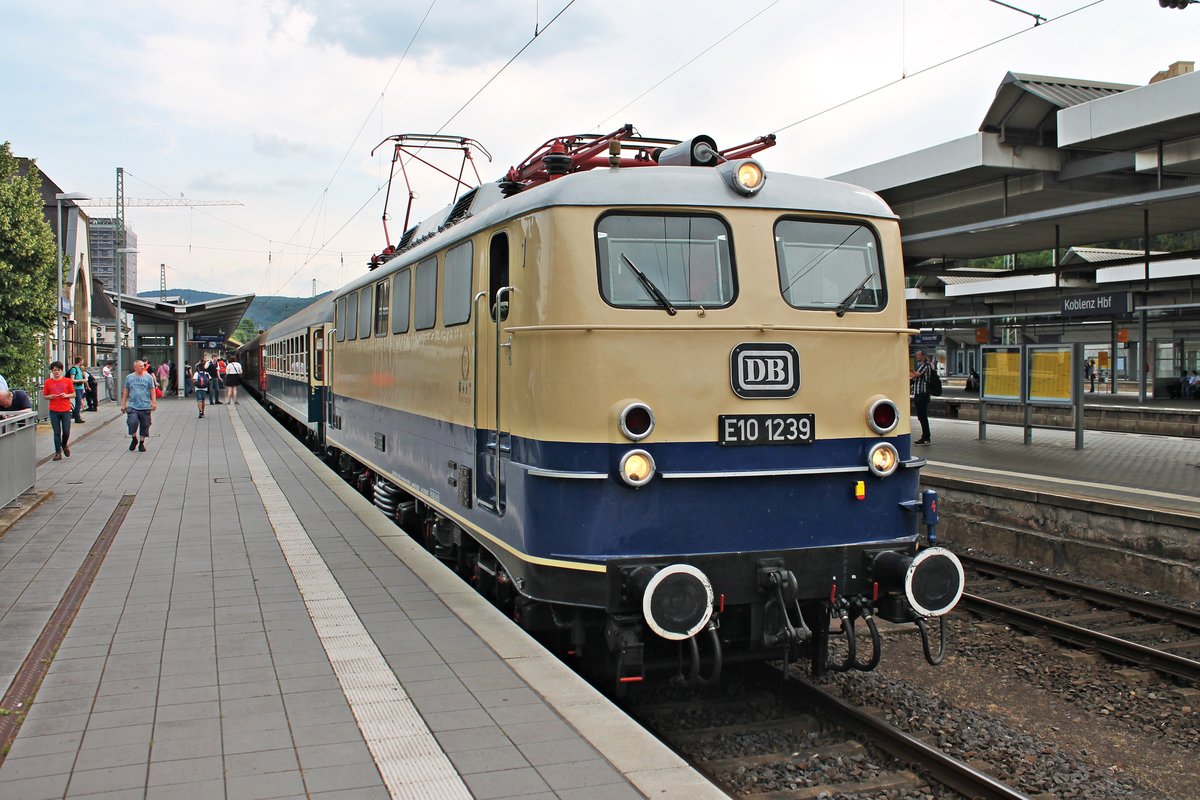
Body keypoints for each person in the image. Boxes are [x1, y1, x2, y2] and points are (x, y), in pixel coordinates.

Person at [121, 359, 158, 453]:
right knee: (132, 422)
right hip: (133, 405)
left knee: (145, 425)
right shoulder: (129, 377)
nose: (143, 367)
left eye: (143, 366)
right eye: (140, 366)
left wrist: (154, 402)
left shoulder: (148, 377)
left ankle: (141, 442)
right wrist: (123, 403)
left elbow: (152, 390)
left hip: (145, 405)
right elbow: (126, 390)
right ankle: (134, 438)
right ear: (135, 367)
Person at [43, 361, 75, 460]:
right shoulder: (48, 382)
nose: (57, 372)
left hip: (65, 409)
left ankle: (64, 444)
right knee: (56, 431)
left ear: (61, 371)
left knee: (66, 431)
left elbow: (74, 394)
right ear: (52, 371)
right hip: (54, 410)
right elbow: (45, 396)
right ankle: (58, 452)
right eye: (55, 370)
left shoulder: (67, 381)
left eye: (59, 370)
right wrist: (50, 396)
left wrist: (66, 395)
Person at [909, 350, 933, 446]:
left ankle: (926, 437)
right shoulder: (920, 365)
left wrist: (907, 370)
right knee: (920, 416)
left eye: (918, 355)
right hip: (918, 394)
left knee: (922, 416)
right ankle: (925, 436)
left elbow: (915, 375)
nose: (916, 356)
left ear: (923, 356)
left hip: (922, 394)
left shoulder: (925, 365)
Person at [68, 356, 87, 423]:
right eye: (82, 361)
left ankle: (76, 415)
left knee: (79, 402)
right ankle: (77, 417)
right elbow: (72, 380)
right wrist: (81, 380)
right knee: (78, 402)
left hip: (80, 387)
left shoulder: (79, 368)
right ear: (80, 361)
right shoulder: (74, 369)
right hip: (76, 388)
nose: (83, 362)